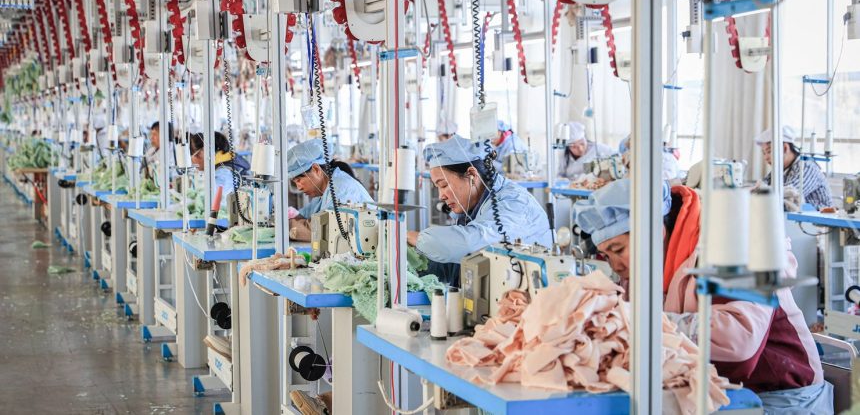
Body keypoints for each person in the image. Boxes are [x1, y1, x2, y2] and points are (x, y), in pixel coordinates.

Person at [573, 179, 831, 414]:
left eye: (618, 250)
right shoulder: (648, 263)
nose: (615, 266)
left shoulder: (732, 245)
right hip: (718, 390)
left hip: (780, 397)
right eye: (607, 255)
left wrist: (631, 324)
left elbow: (739, 345)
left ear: (653, 231)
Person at [407, 135, 553, 285]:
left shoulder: (514, 203)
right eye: (437, 187)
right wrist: (414, 261)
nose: (441, 196)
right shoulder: (473, 206)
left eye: (443, 185)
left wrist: (416, 238)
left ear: (471, 174)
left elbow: (470, 244)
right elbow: (455, 265)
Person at [286, 138, 373, 240]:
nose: (298, 187)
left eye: (299, 180)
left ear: (316, 169)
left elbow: (324, 230)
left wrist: (286, 227)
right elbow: (303, 215)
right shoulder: (322, 192)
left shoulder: (340, 188)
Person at [756, 126, 833, 210]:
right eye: (764, 153)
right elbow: (761, 187)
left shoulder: (806, 166)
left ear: (785, 148)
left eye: (769, 151)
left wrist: (759, 190)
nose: (766, 157)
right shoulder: (780, 170)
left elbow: (790, 194)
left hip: (818, 220)